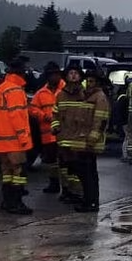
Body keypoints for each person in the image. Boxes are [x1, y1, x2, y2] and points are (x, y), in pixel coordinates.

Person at [55, 62, 110, 212]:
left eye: (92, 81)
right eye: (88, 81)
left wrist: (92, 138)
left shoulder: (99, 97)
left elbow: (101, 120)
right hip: (83, 142)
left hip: (90, 143)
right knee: (86, 175)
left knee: (89, 175)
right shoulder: (88, 96)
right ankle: (88, 201)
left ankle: (91, 202)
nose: (89, 83)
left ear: (97, 83)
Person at [0, 59, 35, 214]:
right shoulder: (15, 90)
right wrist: (24, 138)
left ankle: (7, 202)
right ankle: (16, 203)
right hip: (14, 141)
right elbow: (17, 116)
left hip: (1, 141)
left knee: (6, 172)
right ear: (21, 73)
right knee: (18, 173)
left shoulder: (2, 88)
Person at [32, 62, 64, 196]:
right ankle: (54, 183)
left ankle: (67, 187)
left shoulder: (66, 90)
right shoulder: (41, 93)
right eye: (52, 75)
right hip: (48, 134)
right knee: (51, 161)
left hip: (64, 133)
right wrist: (44, 116)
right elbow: (33, 108)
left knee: (65, 161)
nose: (54, 77)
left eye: (56, 74)